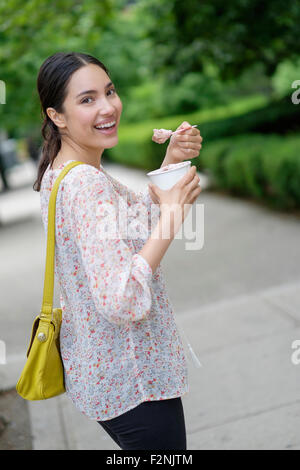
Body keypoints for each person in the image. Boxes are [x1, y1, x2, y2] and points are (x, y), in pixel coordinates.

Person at [33, 52, 202, 450]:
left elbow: (125, 229)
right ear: (56, 115)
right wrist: (173, 216)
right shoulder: (85, 185)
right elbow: (122, 299)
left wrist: (171, 161)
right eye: (87, 99)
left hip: (108, 375)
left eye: (109, 91)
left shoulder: (64, 173)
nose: (108, 107)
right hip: (133, 378)